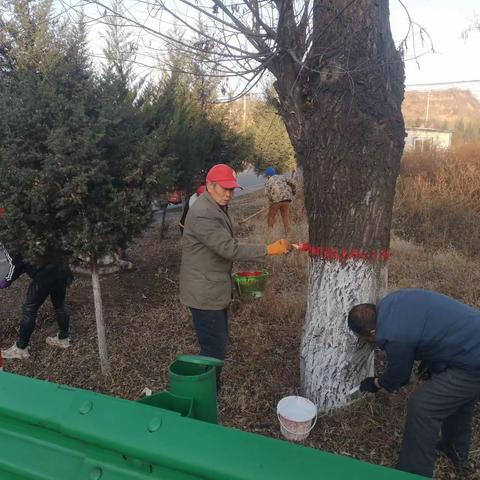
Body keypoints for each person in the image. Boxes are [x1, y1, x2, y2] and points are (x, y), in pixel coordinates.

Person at [347, 289, 480, 478]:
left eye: (367, 339)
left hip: (474, 360)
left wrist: (376, 383)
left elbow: (399, 376)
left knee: (423, 407)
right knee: (457, 397)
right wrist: (431, 360)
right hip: (471, 337)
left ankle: (413, 473)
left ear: (373, 332)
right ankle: (455, 451)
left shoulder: (394, 335)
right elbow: (429, 325)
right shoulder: (391, 301)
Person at [179, 163, 291, 385]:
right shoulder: (203, 213)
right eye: (224, 188)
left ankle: (209, 384)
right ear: (210, 186)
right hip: (204, 293)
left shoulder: (216, 205)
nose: (229, 194)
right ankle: (205, 391)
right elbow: (229, 248)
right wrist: (269, 249)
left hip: (213, 287)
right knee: (213, 347)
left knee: (216, 343)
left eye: (232, 189)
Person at [264, 166, 296, 236]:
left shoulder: (269, 181)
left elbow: (267, 194)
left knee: (271, 217)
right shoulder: (282, 177)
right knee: (285, 217)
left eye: (267, 176)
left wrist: (271, 203)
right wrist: (293, 191)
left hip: (276, 201)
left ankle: (270, 235)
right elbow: (292, 183)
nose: (267, 177)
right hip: (286, 200)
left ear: (268, 175)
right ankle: (288, 234)